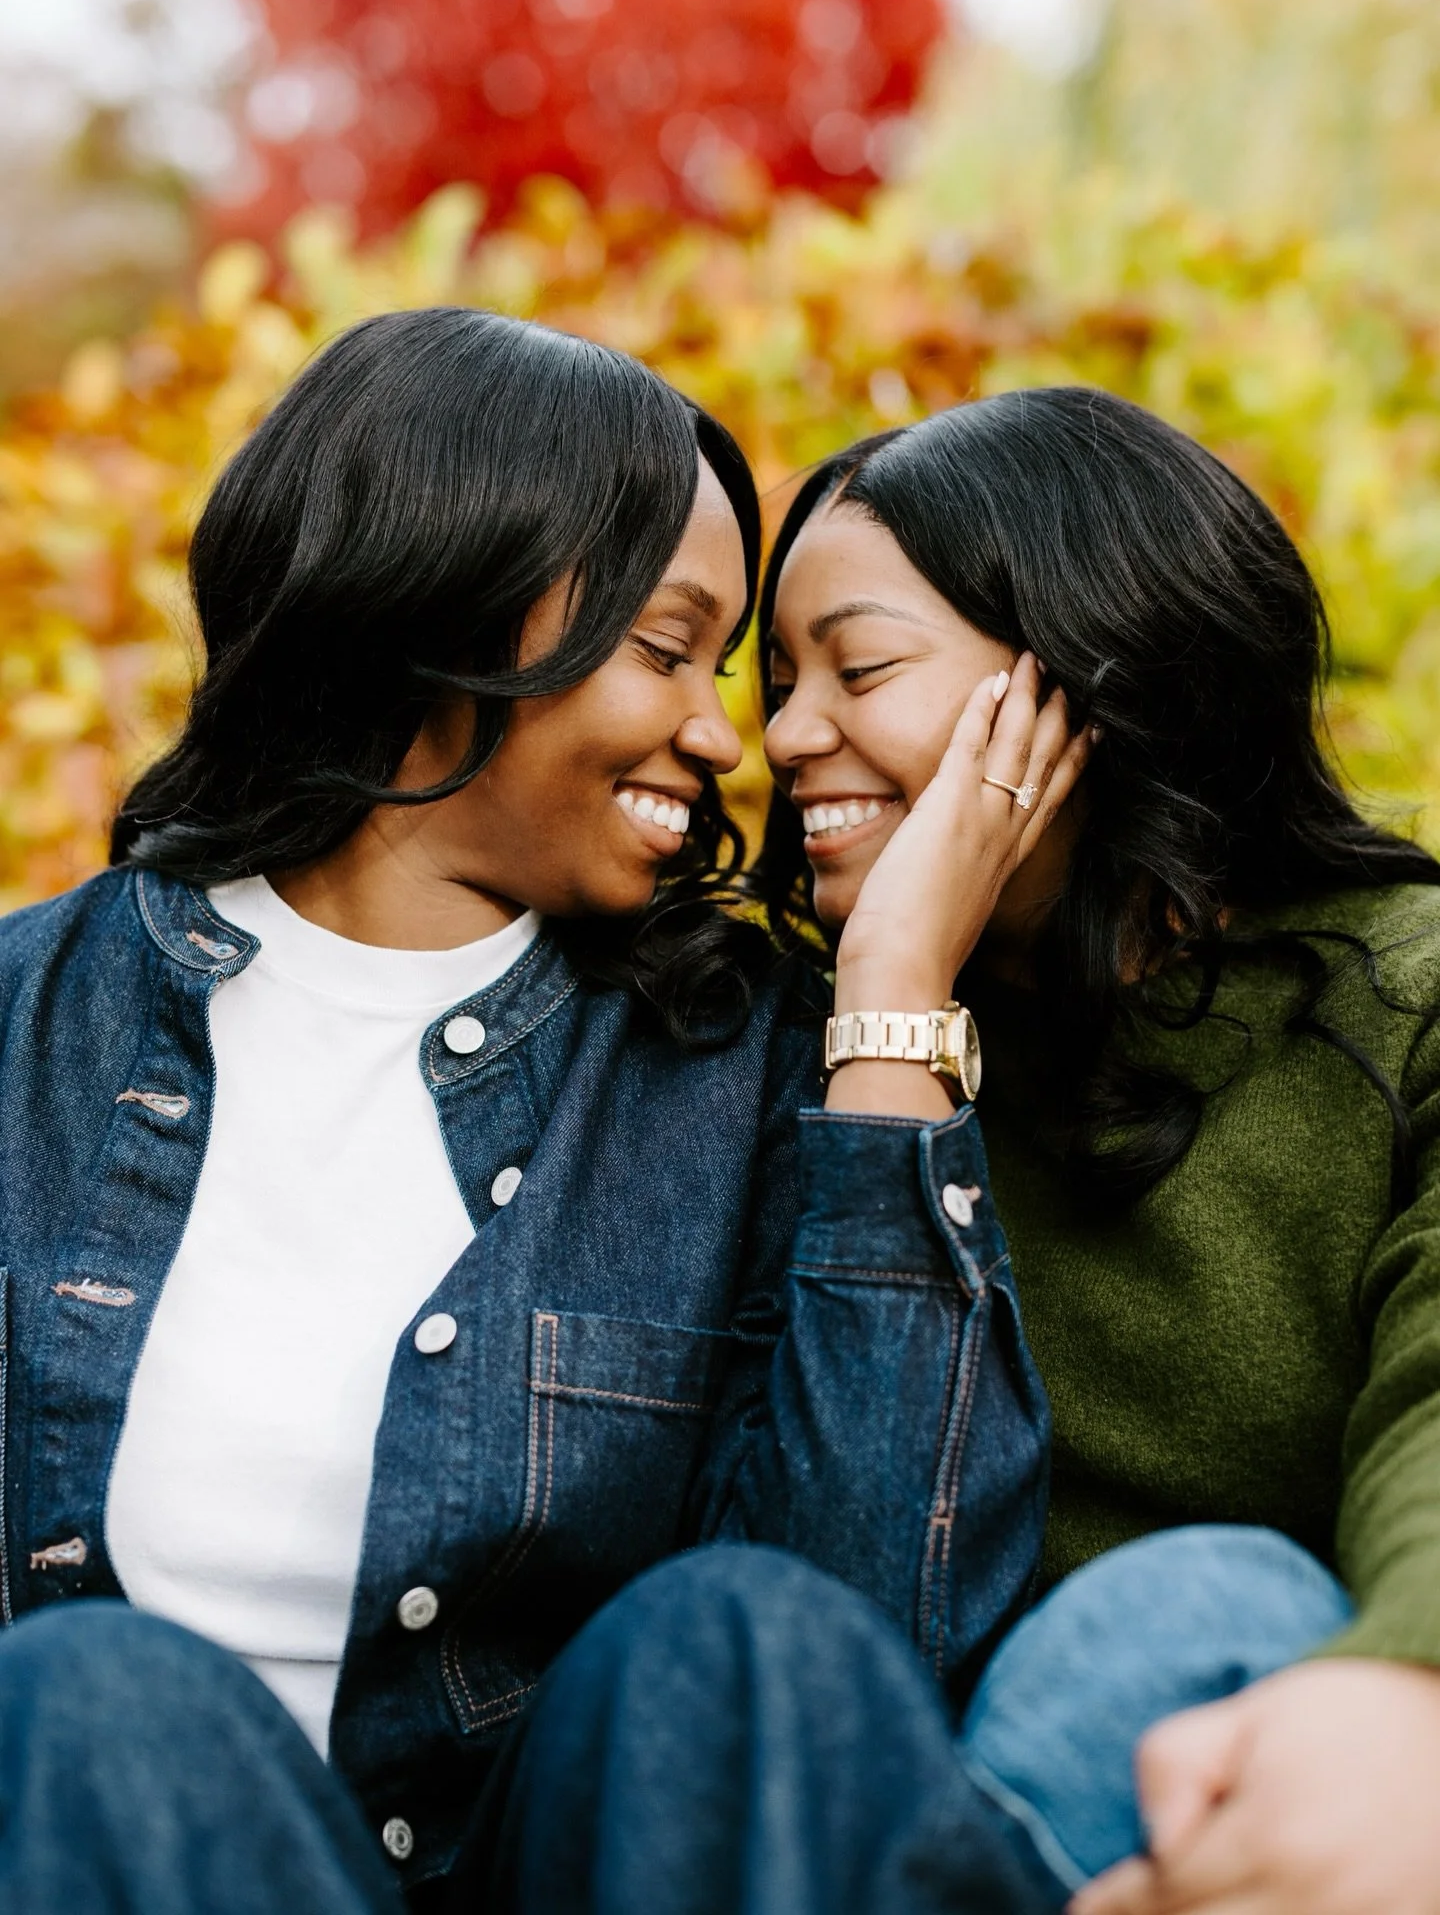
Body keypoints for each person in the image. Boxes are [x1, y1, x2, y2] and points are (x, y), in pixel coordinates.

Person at [0, 309, 1076, 1915]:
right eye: (665, 650)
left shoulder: (748, 1066)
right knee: (91, 1696)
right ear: (437, 603)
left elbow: (874, 1646)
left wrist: (895, 999)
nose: (729, 737)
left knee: (735, 1642)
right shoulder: (31, 1024)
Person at [754, 385, 1440, 1915]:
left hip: (1228, 1788)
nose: (792, 736)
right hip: (828, 1830)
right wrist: (891, 1012)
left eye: (855, 666)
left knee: (1199, 1610)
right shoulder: (768, 1041)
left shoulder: (1407, 998)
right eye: (775, 686)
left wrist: (1413, 1681)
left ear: (1087, 680)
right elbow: (825, 1621)